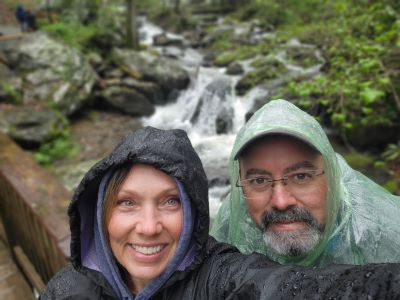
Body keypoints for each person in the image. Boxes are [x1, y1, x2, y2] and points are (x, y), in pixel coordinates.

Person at [40, 126, 400, 299]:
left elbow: (289, 289)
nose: (148, 227)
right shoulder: (67, 290)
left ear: (196, 212)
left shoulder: (218, 278)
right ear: (101, 213)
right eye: (127, 202)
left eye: (171, 201)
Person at [211, 99, 400, 266]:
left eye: (301, 176)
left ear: (332, 178)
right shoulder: (233, 220)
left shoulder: (382, 234)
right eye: (259, 180)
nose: (281, 202)